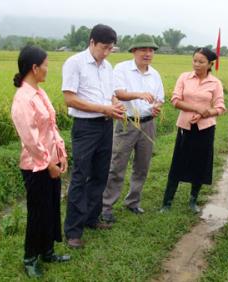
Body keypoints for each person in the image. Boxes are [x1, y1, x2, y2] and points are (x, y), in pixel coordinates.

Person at [62, 24, 125, 249]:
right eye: (104, 48)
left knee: (100, 174)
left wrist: (115, 106)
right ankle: (73, 230)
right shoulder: (75, 63)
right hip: (85, 128)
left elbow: (110, 96)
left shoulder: (107, 67)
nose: (107, 53)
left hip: (106, 125)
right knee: (80, 176)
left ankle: (92, 218)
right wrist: (103, 108)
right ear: (91, 42)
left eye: (111, 49)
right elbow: (70, 99)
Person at [11, 46, 70, 278]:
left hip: (51, 160)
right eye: (45, 65)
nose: (47, 69)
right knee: (37, 212)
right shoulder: (23, 99)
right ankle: (30, 257)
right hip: (36, 167)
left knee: (51, 208)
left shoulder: (40, 92)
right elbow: (31, 140)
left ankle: (47, 250)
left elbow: (51, 128)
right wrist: (49, 164)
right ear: (34, 68)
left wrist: (61, 153)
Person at [102, 34, 164, 222]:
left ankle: (133, 202)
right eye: (143, 49)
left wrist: (156, 109)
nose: (148, 53)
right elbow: (118, 93)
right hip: (127, 123)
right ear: (134, 51)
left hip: (148, 124)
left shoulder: (154, 74)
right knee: (117, 165)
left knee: (142, 166)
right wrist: (140, 95)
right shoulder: (122, 69)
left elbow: (160, 99)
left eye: (151, 50)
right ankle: (106, 207)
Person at [160, 47, 225, 213]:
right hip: (185, 127)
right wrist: (197, 109)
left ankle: (193, 200)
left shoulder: (215, 83)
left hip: (205, 128)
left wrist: (206, 114)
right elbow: (175, 100)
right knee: (178, 163)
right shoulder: (184, 77)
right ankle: (167, 202)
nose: (196, 64)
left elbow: (220, 107)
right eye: (195, 60)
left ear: (210, 64)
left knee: (200, 163)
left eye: (201, 62)